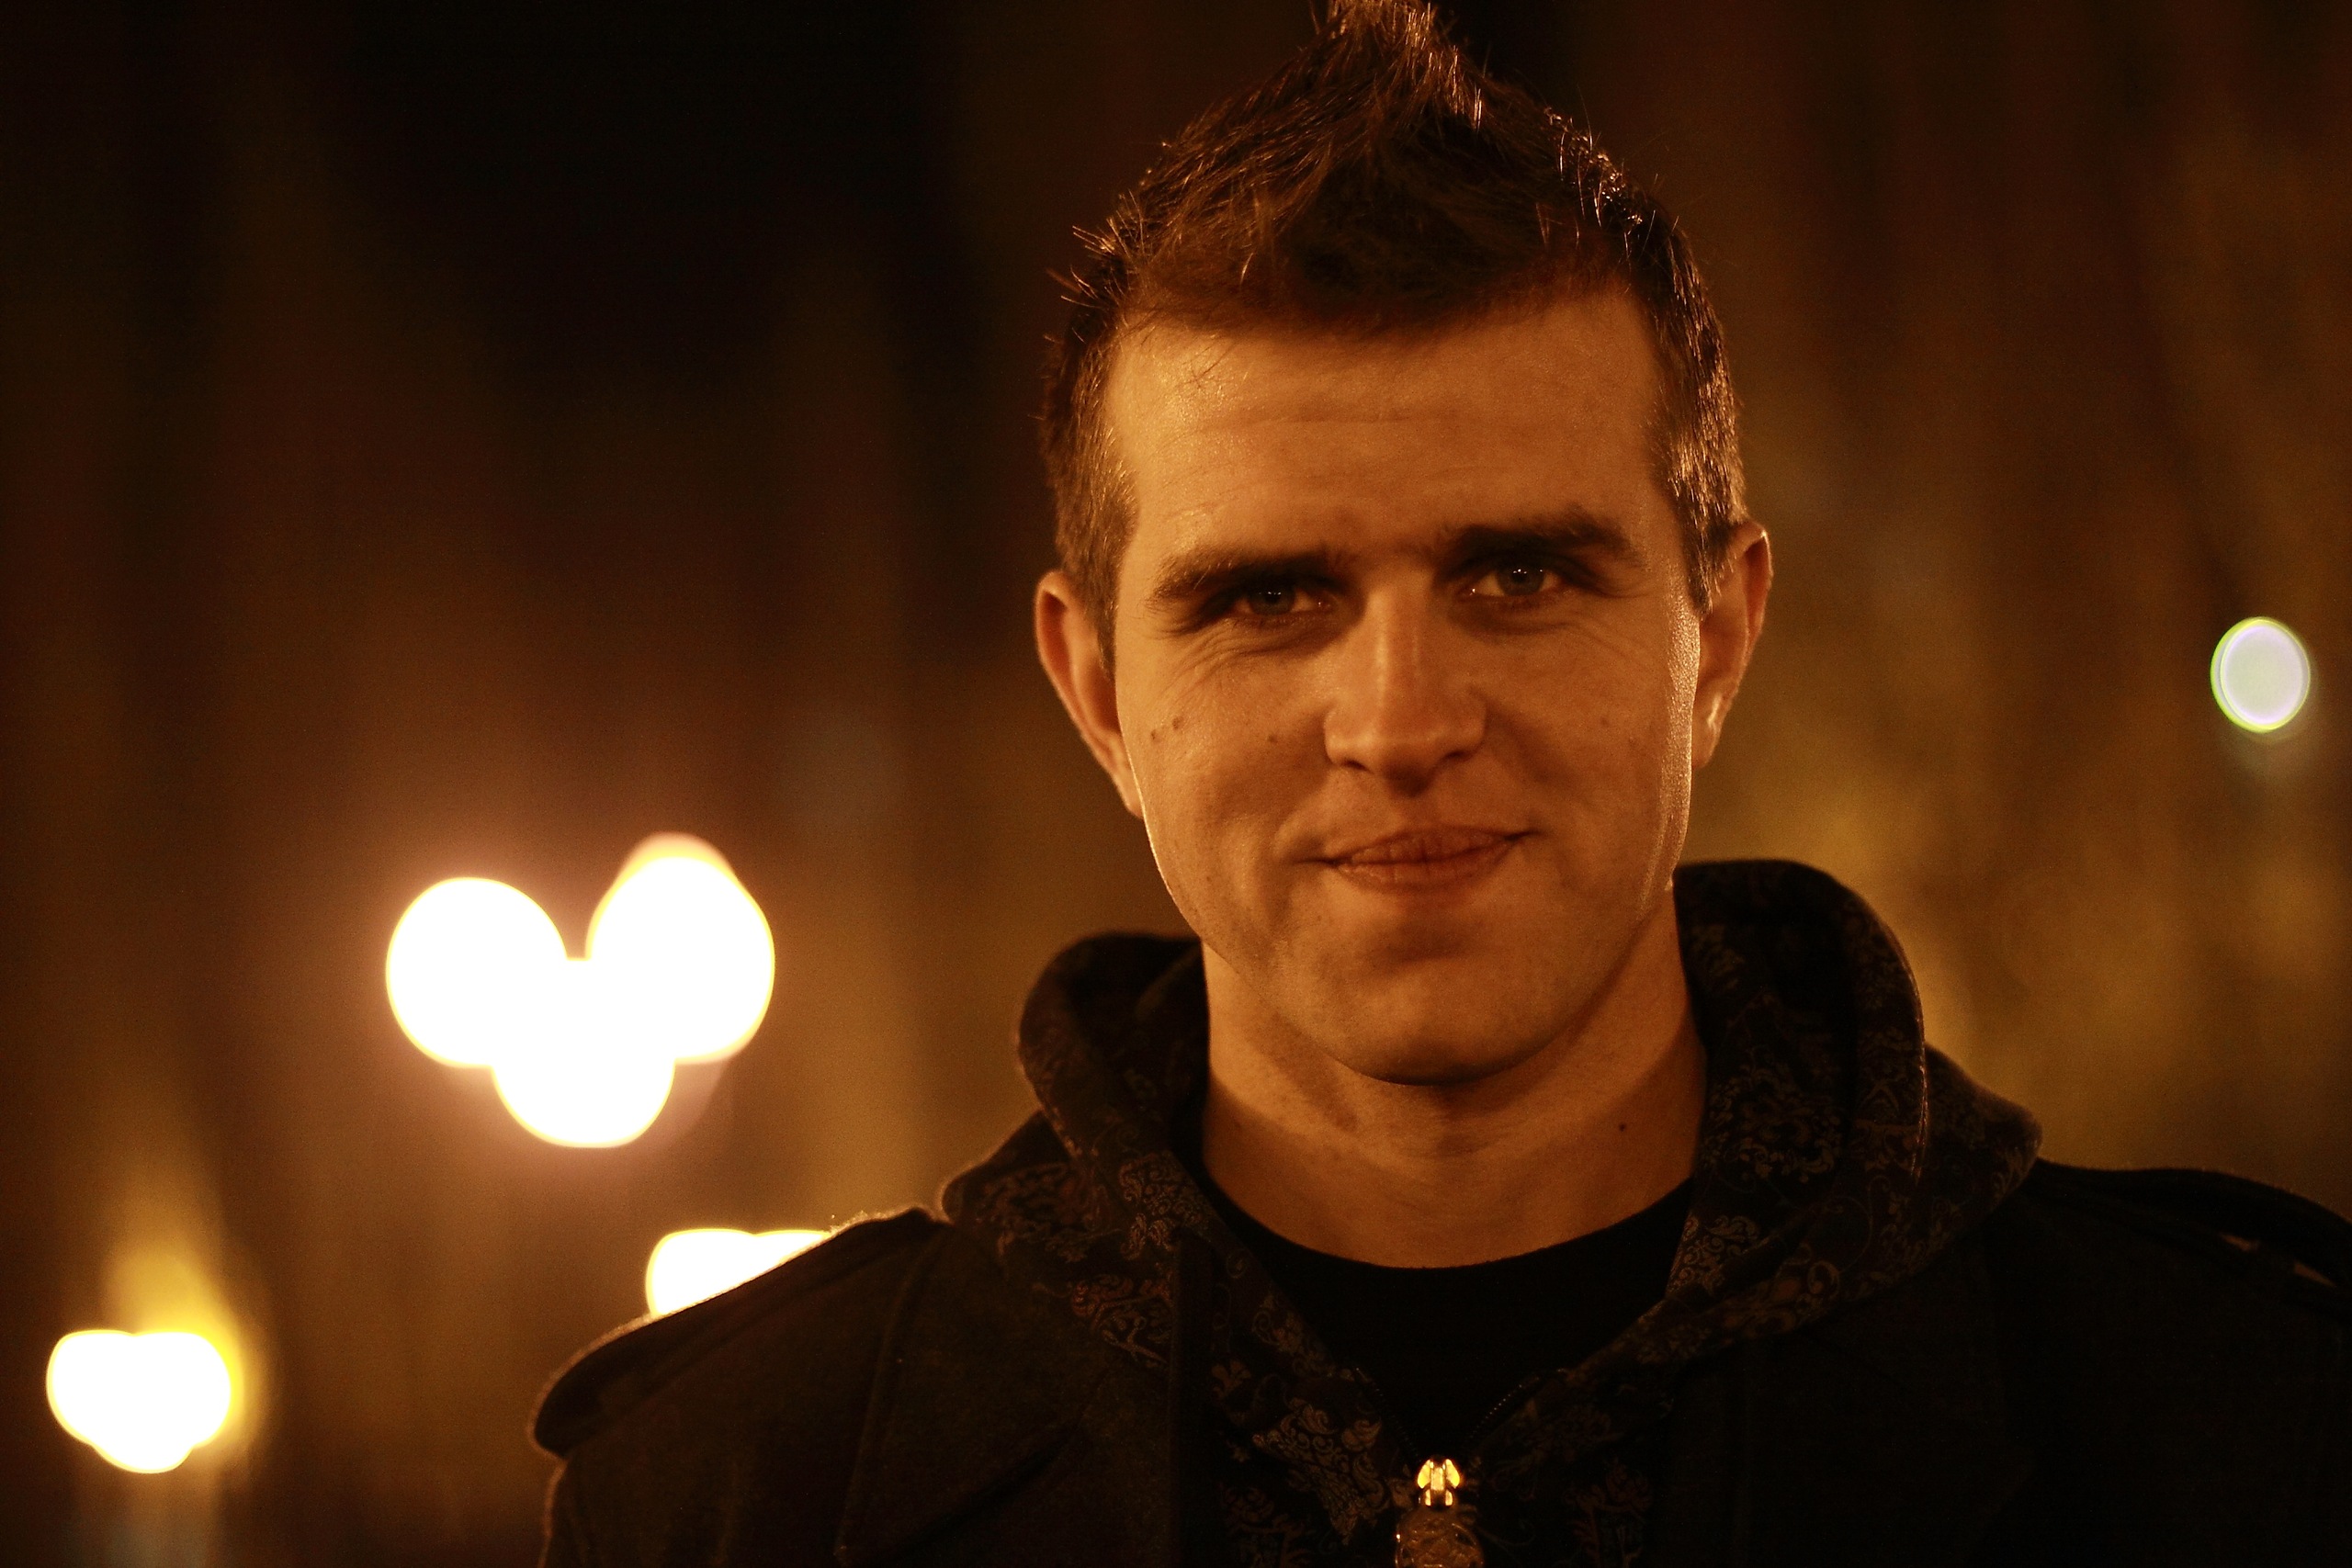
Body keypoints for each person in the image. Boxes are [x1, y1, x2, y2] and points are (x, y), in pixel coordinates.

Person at [531, 4, 2352, 1563]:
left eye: (1517, 573)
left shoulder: (2242, 1426)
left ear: (1717, 636)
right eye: (1269, 597)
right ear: (1095, 691)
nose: (1397, 720)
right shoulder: (735, 1498)